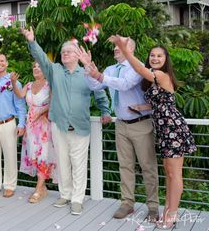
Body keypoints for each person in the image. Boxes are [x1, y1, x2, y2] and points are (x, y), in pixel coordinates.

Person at [21, 27, 111, 215]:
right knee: (62, 162)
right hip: (58, 124)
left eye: (68, 51)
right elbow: (42, 59)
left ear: (78, 55)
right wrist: (32, 41)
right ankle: (65, 194)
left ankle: (77, 199)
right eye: (62, 52)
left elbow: (100, 93)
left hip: (80, 126)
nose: (64, 54)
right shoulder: (54, 71)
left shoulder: (87, 73)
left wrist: (105, 111)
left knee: (78, 164)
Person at [110, 35, 197, 229]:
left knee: (175, 175)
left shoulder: (162, 75)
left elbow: (139, 69)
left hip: (173, 129)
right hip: (164, 130)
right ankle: (167, 211)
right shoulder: (155, 78)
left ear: (166, 60)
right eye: (152, 55)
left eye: (159, 56)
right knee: (168, 172)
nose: (155, 58)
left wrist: (125, 50)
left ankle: (171, 216)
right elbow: (157, 102)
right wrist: (140, 108)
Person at [77, 38, 159, 221]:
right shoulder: (111, 70)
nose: (115, 49)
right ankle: (127, 203)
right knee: (125, 166)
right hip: (121, 124)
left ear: (130, 49)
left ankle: (153, 206)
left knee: (148, 167)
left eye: (119, 46)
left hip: (141, 124)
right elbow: (95, 86)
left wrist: (99, 75)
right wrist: (87, 68)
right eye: (115, 46)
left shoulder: (137, 66)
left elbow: (125, 84)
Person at [10, 62, 57, 203]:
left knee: (43, 155)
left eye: (39, 66)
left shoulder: (50, 84)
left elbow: (54, 102)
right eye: (34, 67)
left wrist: (41, 111)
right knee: (33, 155)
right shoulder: (29, 85)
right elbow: (19, 95)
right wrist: (13, 82)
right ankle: (43, 189)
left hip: (44, 124)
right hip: (31, 125)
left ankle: (38, 188)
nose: (36, 68)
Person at [0, 53, 27, 198]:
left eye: (2, 61)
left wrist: (21, 124)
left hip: (8, 123)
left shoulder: (14, 82)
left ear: (7, 63)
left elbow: (21, 106)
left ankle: (10, 185)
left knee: (10, 156)